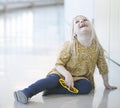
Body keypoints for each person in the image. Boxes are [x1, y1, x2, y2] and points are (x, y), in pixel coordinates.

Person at [14, 15, 117, 104]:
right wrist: (67, 75)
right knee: (51, 80)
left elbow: (103, 66)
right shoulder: (70, 45)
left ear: (92, 27)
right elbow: (58, 64)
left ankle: (53, 90)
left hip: (80, 78)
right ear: (74, 33)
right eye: (77, 22)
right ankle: (26, 92)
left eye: (85, 20)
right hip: (60, 73)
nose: (82, 21)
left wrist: (106, 83)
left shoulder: (97, 47)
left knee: (87, 87)